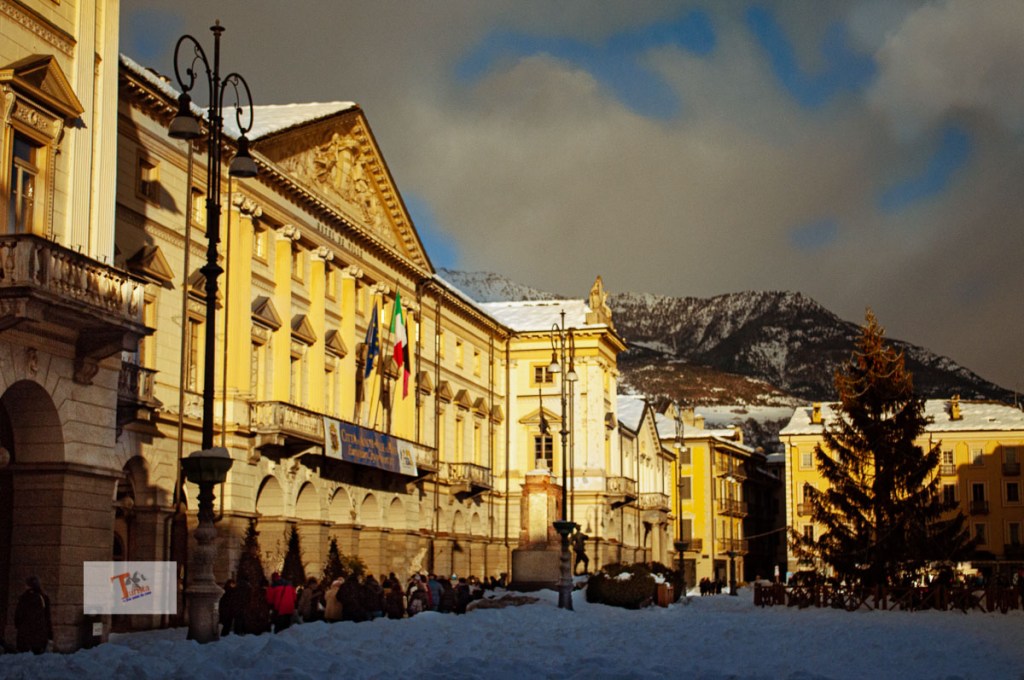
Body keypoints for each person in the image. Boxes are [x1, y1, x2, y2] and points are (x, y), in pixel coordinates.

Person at [15, 576, 52, 654]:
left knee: (22, 658)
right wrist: (50, 634)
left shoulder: (24, 597)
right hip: (39, 634)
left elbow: (18, 615)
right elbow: (47, 616)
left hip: (24, 634)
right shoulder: (43, 597)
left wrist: (18, 626)